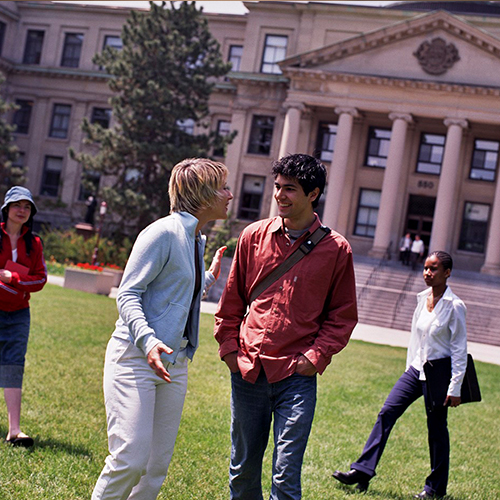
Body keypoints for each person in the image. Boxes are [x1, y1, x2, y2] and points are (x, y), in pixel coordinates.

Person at [214, 153, 358, 500]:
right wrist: (230, 350)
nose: (279, 195)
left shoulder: (337, 249)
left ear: (313, 194)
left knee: (286, 476)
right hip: (249, 369)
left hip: (296, 376)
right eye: (277, 187)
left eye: (289, 189)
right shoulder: (253, 236)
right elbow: (231, 302)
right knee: (243, 469)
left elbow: (342, 316)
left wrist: (315, 357)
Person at [92, 158, 233, 500]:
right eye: (223, 188)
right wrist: (149, 340)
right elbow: (128, 293)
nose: (230, 194)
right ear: (202, 196)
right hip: (136, 358)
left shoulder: (195, 239)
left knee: (155, 469)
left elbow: (176, 293)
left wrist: (208, 276)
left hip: (175, 365)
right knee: (130, 458)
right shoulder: (162, 233)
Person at [332, 251, 467, 499]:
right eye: (426, 268)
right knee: (387, 412)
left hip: (438, 375)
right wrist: (409, 370)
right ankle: (362, 471)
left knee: (437, 429)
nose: (427, 273)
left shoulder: (455, 306)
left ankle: (435, 488)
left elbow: (459, 349)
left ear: (447, 273)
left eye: (434, 269)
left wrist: (455, 386)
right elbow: (416, 340)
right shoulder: (422, 298)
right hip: (416, 370)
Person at [0, 186, 47, 448]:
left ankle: (14, 430)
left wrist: (13, 279)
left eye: (27, 206)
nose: (22, 210)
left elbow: (40, 279)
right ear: (6, 209)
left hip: (18, 314)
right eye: (17, 205)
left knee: (14, 365)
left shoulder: (35, 243)